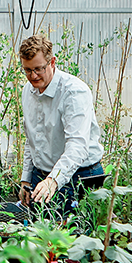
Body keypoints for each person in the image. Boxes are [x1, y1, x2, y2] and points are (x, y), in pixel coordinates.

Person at [16, 34, 105, 211]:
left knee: (77, 236)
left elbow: (78, 145)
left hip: (80, 176)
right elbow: (31, 139)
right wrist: (26, 178)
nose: (33, 76)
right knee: (40, 235)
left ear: (52, 62)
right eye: (27, 70)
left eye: (38, 69)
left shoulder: (73, 92)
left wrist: (53, 180)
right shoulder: (28, 91)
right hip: (42, 177)